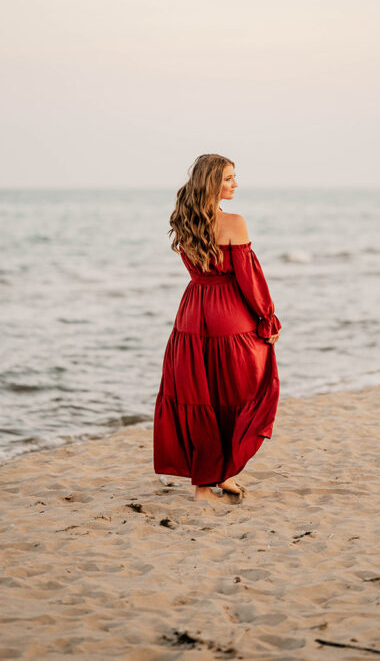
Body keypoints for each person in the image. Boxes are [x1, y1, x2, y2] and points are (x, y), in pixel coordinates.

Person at [153, 153, 281, 503]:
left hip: (192, 312)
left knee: (199, 396)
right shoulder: (235, 223)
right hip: (229, 317)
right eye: (228, 178)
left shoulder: (183, 219)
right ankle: (216, 476)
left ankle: (210, 480)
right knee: (240, 393)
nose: (235, 184)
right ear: (212, 182)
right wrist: (267, 318)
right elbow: (249, 280)